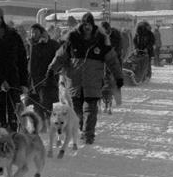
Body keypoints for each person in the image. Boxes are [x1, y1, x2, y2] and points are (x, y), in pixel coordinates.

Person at [46, 11, 123, 145]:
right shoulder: (72, 39)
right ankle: (82, 127)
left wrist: (118, 76)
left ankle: (88, 135)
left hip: (93, 81)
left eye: (90, 24)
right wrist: (52, 69)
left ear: (93, 25)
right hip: (75, 82)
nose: (87, 27)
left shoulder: (101, 40)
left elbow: (112, 60)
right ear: (82, 24)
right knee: (78, 110)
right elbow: (60, 56)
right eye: (85, 24)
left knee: (90, 109)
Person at [26, 23, 59, 128]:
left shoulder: (52, 44)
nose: (33, 34)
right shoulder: (28, 45)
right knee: (36, 103)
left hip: (47, 79)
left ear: (41, 32)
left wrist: (53, 72)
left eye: (35, 32)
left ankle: (50, 124)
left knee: (47, 103)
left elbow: (59, 59)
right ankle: (41, 125)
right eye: (31, 32)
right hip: (32, 81)